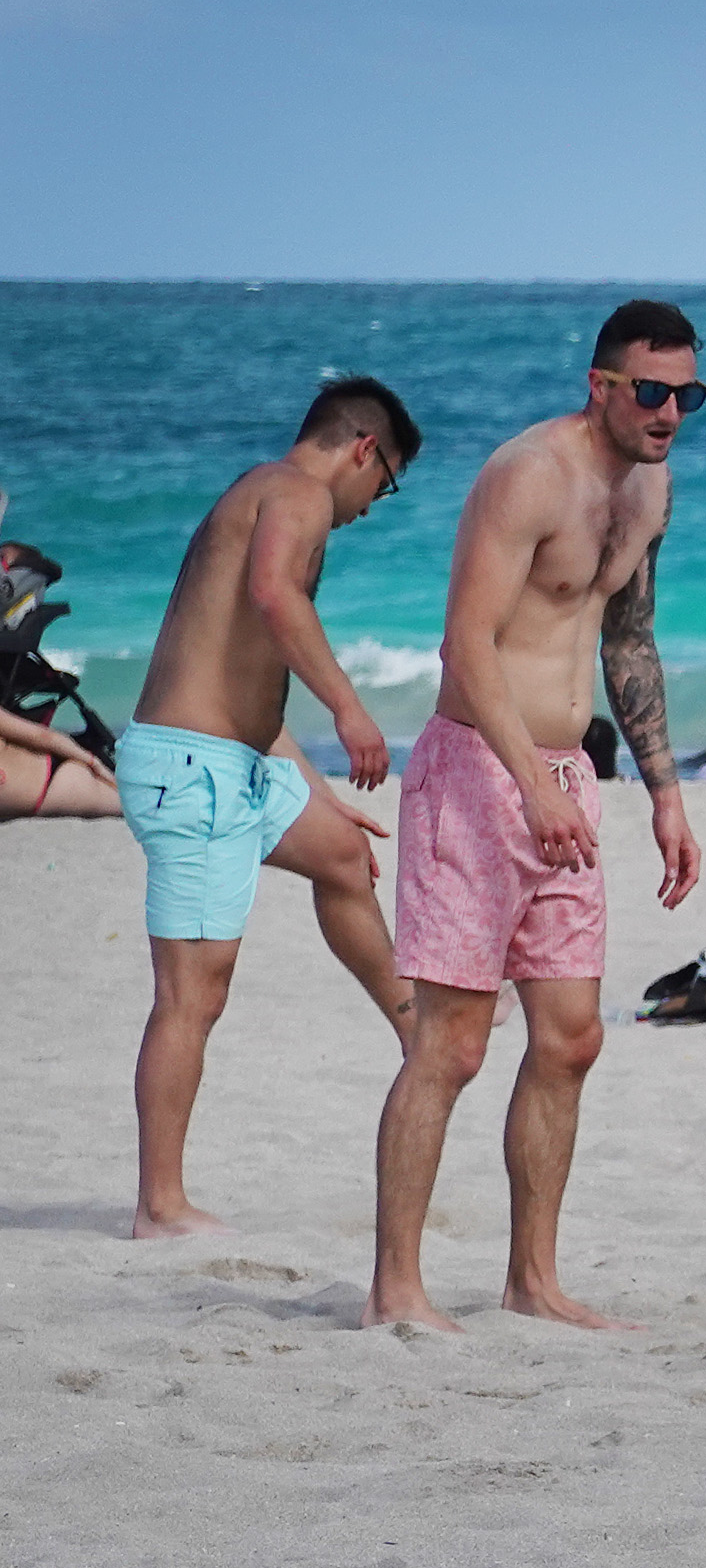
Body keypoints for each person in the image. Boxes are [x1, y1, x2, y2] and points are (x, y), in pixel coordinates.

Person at [367, 304, 706, 1330]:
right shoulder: (528, 474)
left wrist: (666, 793)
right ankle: (396, 1289)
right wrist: (532, 781)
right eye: (651, 391)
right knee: (453, 1043)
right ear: (599, 384)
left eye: (688, 395)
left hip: (564, 776)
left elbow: (630, 640)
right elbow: (465, 645)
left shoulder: (651, 488)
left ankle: (532, 1282)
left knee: (570, 1039)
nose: (669, 413)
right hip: (479, 770)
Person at [117, 377, 421, 1239]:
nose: (372, 506)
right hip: (192, 770)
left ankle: (414, 1028)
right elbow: (275, 597)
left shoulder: (259, 490)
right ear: (364, 448)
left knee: (340, 854)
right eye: (385, 484)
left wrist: (319, 789)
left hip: (235, 761)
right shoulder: (296, 492)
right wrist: (352, 712)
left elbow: (248, 681)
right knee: (193, 994)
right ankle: (158, 1204)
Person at [1, 705, 119, 819]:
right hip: (56, 774)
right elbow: (43, 736)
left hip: (52, 793)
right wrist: (94, 763)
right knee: (131, 801)